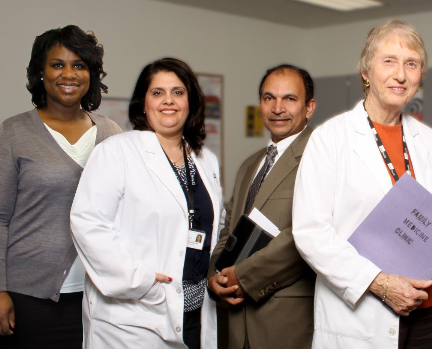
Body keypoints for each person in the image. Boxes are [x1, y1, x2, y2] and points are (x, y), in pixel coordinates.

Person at [292, 20, 432, 349]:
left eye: (412, 64)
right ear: (365, 70)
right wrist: (377, 282)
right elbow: (310, 232)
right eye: (388, 61)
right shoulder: (330, 140)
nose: (400, 75)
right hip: (364, 313)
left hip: (431, 316)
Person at [70, 58, 221, 348]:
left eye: (178, 92)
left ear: (191, 102)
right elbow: (88, 225)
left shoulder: (204, 160)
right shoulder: (116, 152)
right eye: (157, 92)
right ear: (143, 103)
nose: (169, 101)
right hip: (133, 317)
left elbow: (211, 223)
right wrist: (141, 282)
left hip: (195, 312)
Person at [0, 25, 121, 348]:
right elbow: (0, 219)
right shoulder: (13, 133)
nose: (68, 74)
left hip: (99, 296)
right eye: (57, 64)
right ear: (41, 72)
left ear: (91, 74)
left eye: (79, 65)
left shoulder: (113, 135)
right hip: (29, 297)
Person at [207, 64, 316, 349]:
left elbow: (305, 235)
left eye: (290, 99)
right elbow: (229, 229)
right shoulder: (249, 165)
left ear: (309, 107)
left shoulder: (320, 158)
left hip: (285, 321)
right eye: (269, 98)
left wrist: (243, 277)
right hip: (234, 321)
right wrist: (215, 276)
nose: (278, 108)